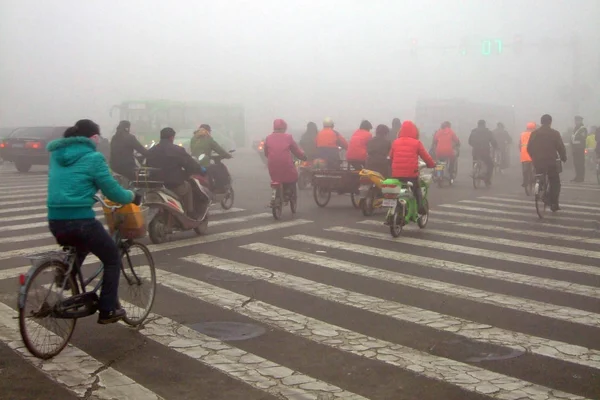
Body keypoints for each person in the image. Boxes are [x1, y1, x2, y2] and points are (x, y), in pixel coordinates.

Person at [47, 119, 142, 324]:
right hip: (80, 220)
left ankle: (66, 274)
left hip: (55, 220)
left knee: (80, 245)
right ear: (93, 138)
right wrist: (132, 196)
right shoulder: (93, 158)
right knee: (112, 259)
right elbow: (112, 191)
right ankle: (108, 310)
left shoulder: (56, 156)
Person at [146, 128, 206, 217]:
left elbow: (146, 165)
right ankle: (190, 212)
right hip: (173, 185)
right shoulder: (178, 150)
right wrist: (201, 170)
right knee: (188, 187)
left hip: (155, 184)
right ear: (171, 137)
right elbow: (190, 163)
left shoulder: (151, 151)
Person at [389, 121, 436, 214]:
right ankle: (420, 207)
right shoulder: (416, 143)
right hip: (411, 174)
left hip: (396, 174)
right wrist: (431, 164)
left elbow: (391, 157)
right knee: (417, 188)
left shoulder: (395, 142)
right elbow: (426, 157)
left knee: (397, 191)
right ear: (415, 132)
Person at [527, 114, 567, 211]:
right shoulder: (554, 133)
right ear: (550, 122)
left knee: (540, 175)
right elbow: (560, 147)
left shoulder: (534, 133)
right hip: (551, 161)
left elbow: (529, 148)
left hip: (538, 162)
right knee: (555, 181)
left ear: (541, 122)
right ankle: (554, 203)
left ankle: (540, 186)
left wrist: (534, 157)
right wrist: (563, 157)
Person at [264, 119, 307, 200]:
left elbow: (266, 152)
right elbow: (296, 150)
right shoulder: (288, 137)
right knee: (292, 176)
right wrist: (303, 157)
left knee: (276, 178)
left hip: (272, 163)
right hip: (286, 163)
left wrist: (272, 158)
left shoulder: (268, 138)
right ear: (284, 128)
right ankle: (288, 192)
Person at [468, 120, 497, 186]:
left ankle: (474, 171)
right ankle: (487, 180)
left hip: (475, 152)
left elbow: (469, 141)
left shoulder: (473, 131)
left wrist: (475, 145)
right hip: (485, 152)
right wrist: (495, 146)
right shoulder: (488, 132)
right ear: (484, 125)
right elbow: (493, 141)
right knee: (490, 165)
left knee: (475, 161)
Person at [570, 115, 587, 182]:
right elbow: (572, 137)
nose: (576, 122)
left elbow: (583, 137)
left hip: (580, 148)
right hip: (575, 149)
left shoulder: (583, 129)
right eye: (575, 120)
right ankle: (577, 176)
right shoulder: (575, 128)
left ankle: (581, 177)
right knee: (576, 163)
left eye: (578, 120)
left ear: (581, 121)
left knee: (580, 163)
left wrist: (576, 138)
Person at [519, 122, 536, 187]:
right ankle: (533, 178)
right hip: (533, 153)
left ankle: (525, 182)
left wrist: (521, 151)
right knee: (534, 167)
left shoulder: (522, 134)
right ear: (533, 128)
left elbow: (519, 144)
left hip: (524, 154)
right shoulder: (535, 134)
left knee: (525, 169)